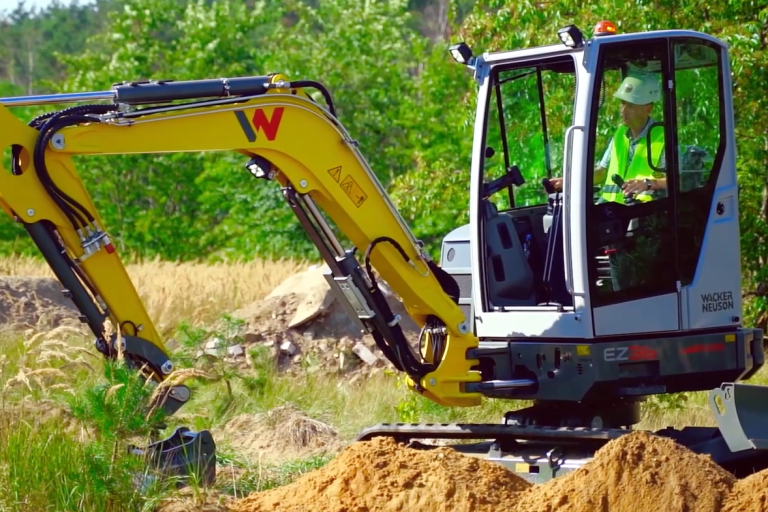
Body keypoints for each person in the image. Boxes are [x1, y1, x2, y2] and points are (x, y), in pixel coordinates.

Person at [548, 73, 666, 202]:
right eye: (622, 103)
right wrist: (571, 182)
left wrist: (649, 183)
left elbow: (680, 180)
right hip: (612, 210)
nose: (623, 110)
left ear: (648, 108)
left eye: (630, 106)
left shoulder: (663, 137)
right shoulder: (620, 134)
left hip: (644, 214)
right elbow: (601, 173)